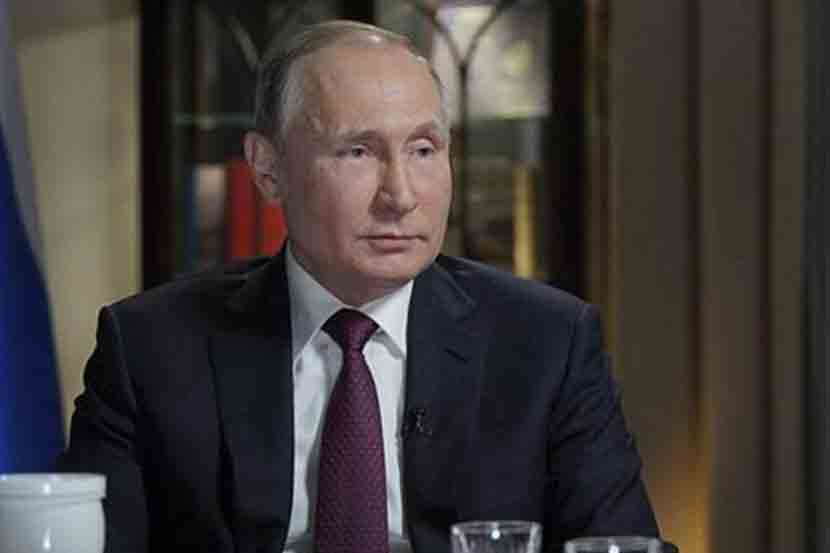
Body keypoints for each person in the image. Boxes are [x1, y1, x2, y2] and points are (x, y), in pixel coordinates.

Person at [59, 20, 659, 553]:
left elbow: (619, 545)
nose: (401, 195)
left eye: (423, 149)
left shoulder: (548, 342)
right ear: (267, 168)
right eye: (357, 152)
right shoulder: (150, 347)